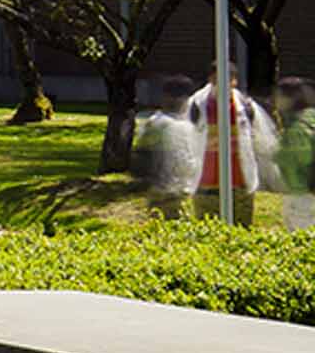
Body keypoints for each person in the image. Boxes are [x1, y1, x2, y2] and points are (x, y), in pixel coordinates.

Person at [184, 69, 265, 226]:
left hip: (239, 183)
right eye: (218, 79)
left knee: (241, 228)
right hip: (206, 183)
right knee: (207, 228)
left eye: (229, 79)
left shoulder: (245, 105)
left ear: (235, 81)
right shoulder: (196, 105)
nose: (223, 84)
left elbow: (257, 138)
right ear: (211, 79)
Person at [132, 77, 200, 220]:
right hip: (169, 192)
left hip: (183, 189)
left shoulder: (187, 122)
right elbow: (142, 155)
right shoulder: (159, 123)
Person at [273, 77, 315, 232]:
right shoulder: (310, 118)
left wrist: (278, 155)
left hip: (301, 196)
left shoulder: (298, 129)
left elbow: (302, 160)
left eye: (279, 95)